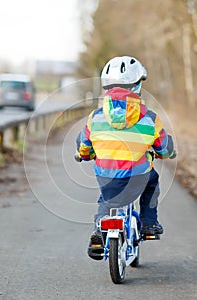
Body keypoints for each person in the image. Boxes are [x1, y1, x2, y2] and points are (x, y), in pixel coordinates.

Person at [75, 56, 176, 260]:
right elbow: (163, 147)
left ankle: (99, 231)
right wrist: (168, 153)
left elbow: (84, 144)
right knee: (152, 182)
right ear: (137, 85)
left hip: (107, 173)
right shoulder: (150, 118)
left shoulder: (95, 118)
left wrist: (83, 154)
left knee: (107, 198)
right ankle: (149, 223)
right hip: (138, 175)